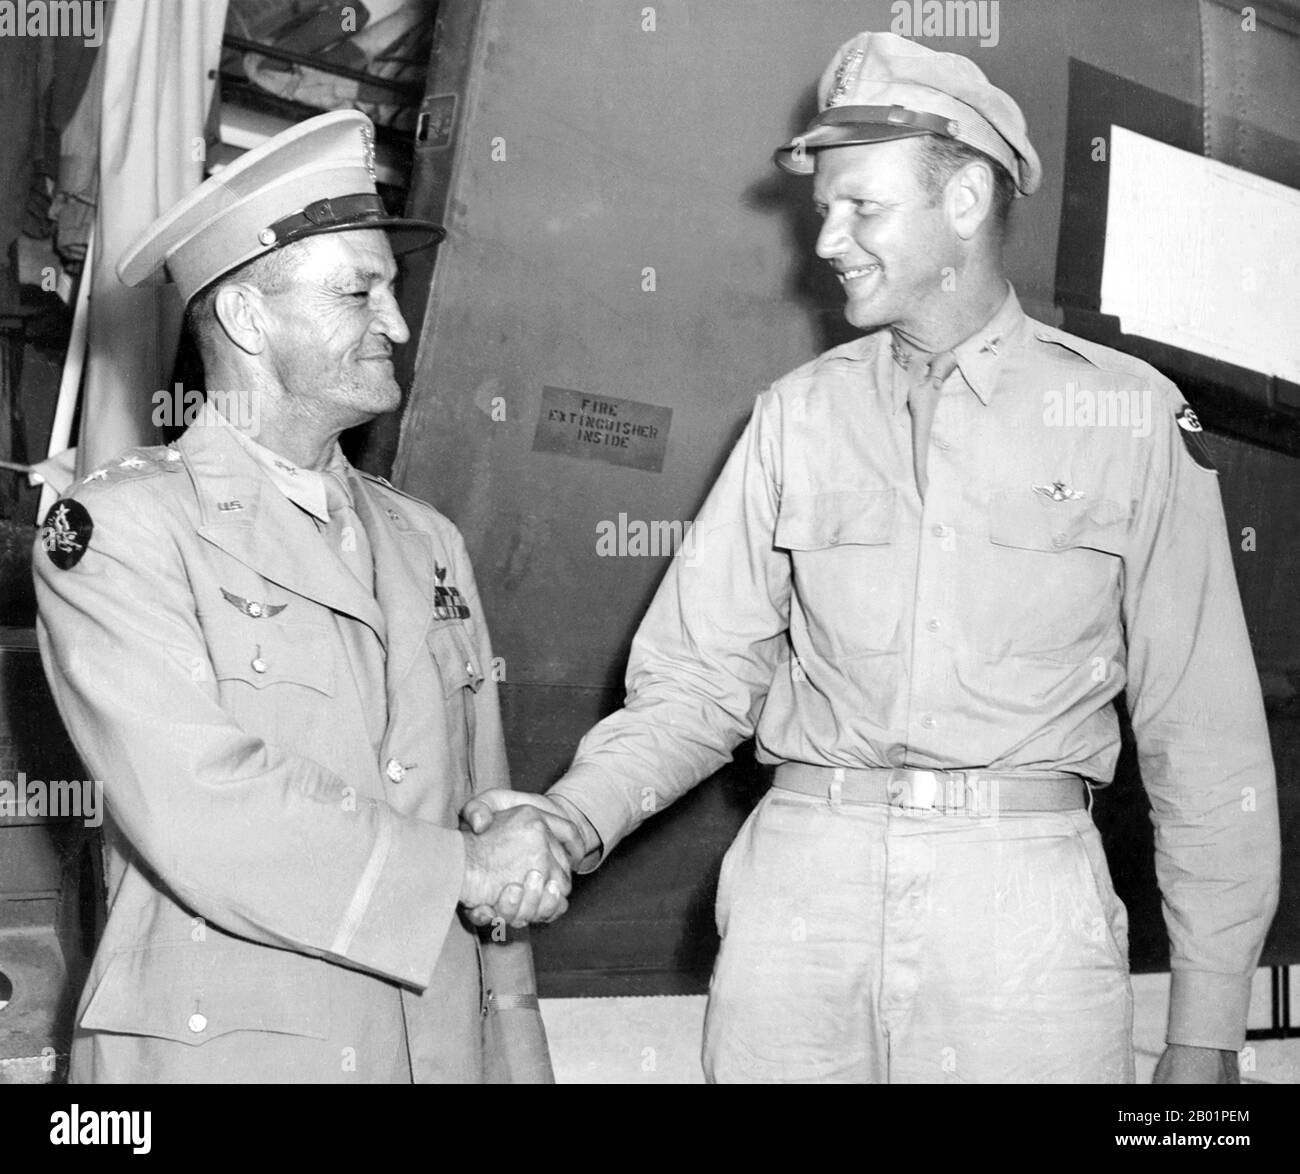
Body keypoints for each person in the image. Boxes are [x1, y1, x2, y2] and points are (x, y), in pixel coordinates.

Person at [464, 32, 1281, 1084]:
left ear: (967, 200)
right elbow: (698, 685)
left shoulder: (1126, 417)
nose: (828, 241)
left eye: (863, 208)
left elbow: (1201, 740)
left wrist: (1204, 1031)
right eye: (824, 209)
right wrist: (570, 817)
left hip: (1021, 920)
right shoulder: (795, 417)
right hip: (800, 900)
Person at [33, 110, 579, 1083]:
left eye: (394, 292)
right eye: (360, 291)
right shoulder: (118, 533)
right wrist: (464, 870)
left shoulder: (428, 542)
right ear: (247, 318)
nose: (397, 324)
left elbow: (483, 835)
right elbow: (202, 804)